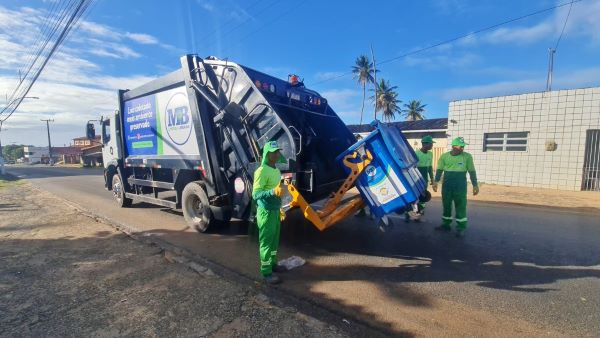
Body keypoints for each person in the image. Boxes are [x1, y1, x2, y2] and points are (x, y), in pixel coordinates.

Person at [252, 140, 288, 284]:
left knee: (274, 241)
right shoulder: (261, 171)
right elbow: (255, 195)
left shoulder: (276, 170)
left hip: (274, 211)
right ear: (267, 154)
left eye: (278, 151)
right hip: (265, 212)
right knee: (266, 243)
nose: (277, 154)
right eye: (274, 152)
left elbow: (278, 189)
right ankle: (266, 272)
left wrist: (281, 207)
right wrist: (273, 191)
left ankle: (273, 264)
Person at [432, 137, 479, 237]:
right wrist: (435, 182)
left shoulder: (467, 157)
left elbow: (472, 171)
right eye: (460, 146)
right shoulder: (444, 157)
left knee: (461, 207)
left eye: (463, 146)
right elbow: (439, 170)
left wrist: (475, 185)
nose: (462, 148)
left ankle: (461, 227)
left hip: (460, 187)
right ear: (453, 146)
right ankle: (446, 225)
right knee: (446, 206)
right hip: (447, 187)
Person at [406, 135, 435, 222]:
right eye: (431, 144)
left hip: (424, 179)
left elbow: (430, 167)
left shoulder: (430, 154)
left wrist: (432, 179)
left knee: (423, 196)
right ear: (425, 144)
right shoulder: (416, 154)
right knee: (414, 196)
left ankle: (419, 212)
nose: (432, 145)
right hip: (416, 179)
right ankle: (408, 213)